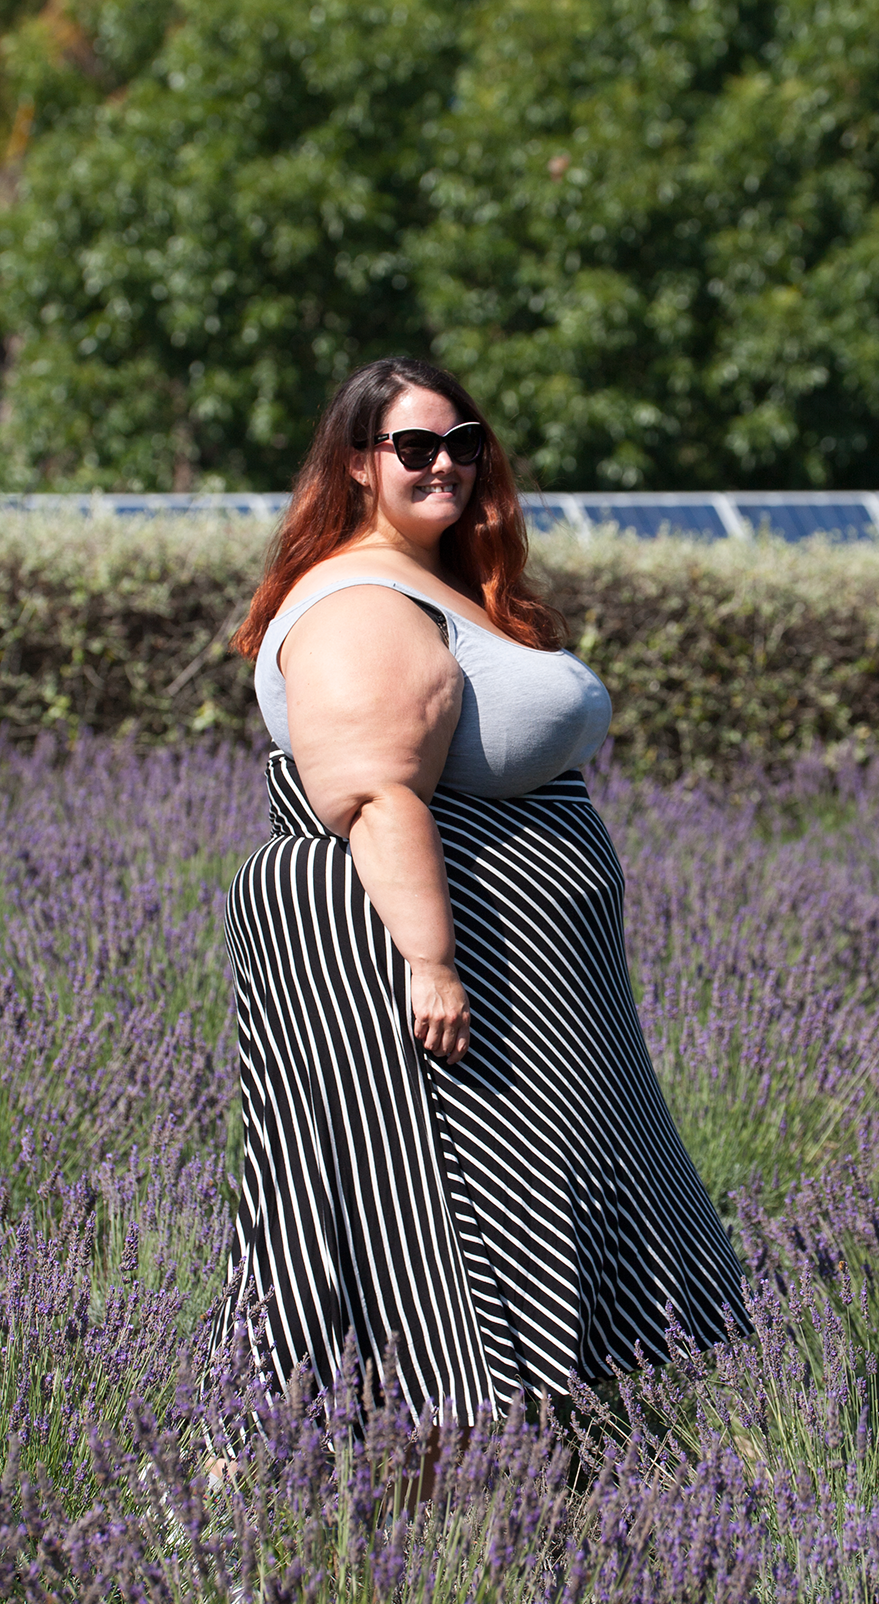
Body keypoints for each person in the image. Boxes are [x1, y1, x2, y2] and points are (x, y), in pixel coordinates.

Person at [211, 356, 752, 1437]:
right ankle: (450, 1473)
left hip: (529, 983)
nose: (445, 462)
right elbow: (371, 788)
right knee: (451, 1214)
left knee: (540, 1199)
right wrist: (432, 962)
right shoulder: (360, 598)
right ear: (360, 465)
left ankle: (572, 1456)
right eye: (415, 447)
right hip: (420, 965)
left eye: (463, 441)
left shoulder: (440, 580)